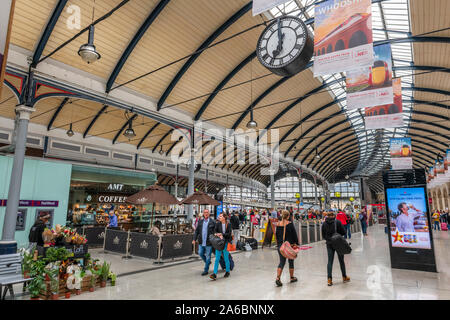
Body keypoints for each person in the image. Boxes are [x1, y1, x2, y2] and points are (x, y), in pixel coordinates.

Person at [321, 212, 350, 286]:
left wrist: (329, 239)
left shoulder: (324, 224)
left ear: (327, 216)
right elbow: (343, 232)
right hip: (338, 244)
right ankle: (344, 276)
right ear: (334, 216)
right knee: (341, 261)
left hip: (329, 244)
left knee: (330, 261)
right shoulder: (337, 222)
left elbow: (323, 235)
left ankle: (329, 279)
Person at [275, 210, 299, 287]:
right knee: (291, 261)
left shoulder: (278, 224)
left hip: (280, 246)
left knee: (281, 262)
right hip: (289, 246)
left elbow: (277, 235)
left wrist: (279, 244)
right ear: (288, 216)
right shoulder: (290, 224)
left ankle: (278, 278)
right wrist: (296, 244)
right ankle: (292, 277)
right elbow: (294, 235)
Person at [192, 209, 216, 276]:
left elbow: (215, 231)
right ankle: (208, 262)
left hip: (209, 242)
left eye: (207, 212)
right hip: (201, 241)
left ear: (209, 214)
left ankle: (206, 270)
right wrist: (194, 239)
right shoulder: (200, 222)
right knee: (200, 253)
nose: (206, 213)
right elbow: (196, 231)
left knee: (208, 256)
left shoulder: (212, 222)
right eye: (205, 212)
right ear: (203, 213)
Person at [210, 213, 232, 280]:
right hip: (219, 243)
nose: (219, 217)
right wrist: (217, 234)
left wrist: (222, 234)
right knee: (217, 258)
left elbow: (229, 234)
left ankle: (227, 271)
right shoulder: (218, 224)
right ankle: (214, 273)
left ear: (224, 217)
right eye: (219, 216)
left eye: (221, 216)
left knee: (226, 258)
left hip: (226, 243)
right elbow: (215, 231)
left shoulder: (228, 224)